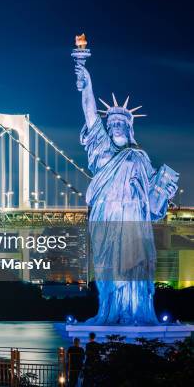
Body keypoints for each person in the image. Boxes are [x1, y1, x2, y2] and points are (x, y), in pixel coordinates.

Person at [75, 61, 178, 326]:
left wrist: (165, 187)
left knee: (134, 266)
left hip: (133, 221)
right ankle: (110, 311)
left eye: (122, 122)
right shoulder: (102, 151)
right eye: (113, 122)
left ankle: (136, 313)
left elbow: (154, 202)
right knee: (109, 267)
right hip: (107, 219)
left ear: (129, 127)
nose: (117, 125)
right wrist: (87, 84)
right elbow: (90, 115)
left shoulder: (139, 157)